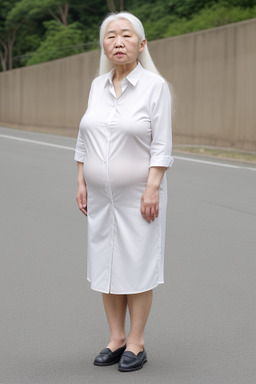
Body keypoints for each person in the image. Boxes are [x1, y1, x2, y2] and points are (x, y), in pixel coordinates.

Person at [75, 11, 174, 372]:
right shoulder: (97, 86)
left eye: (127, 36)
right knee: (106, 263)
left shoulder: (154, 86)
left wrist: (153, 188)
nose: (118, 41)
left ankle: (137, 341)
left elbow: (161, 145)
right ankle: (116, 338)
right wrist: (81, 179)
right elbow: (84, 137)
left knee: (137, 264)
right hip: (101, 197)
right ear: (103, 45)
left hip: (139, 197)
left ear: (141, 44)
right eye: (111, 36)